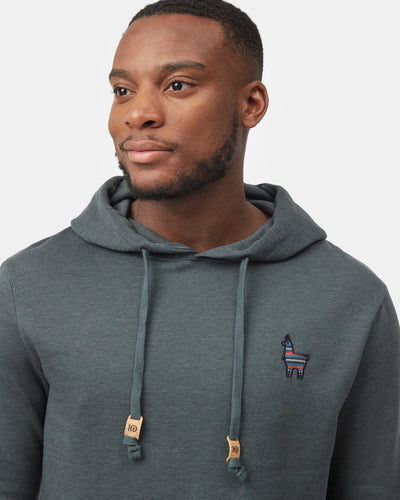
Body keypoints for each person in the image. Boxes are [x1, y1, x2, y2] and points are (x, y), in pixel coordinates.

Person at [0, 0, 398, 498]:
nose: (139, 114)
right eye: (123, 91)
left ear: (251, 104)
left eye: (178, 85)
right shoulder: (29, 286)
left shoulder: (351, 298)